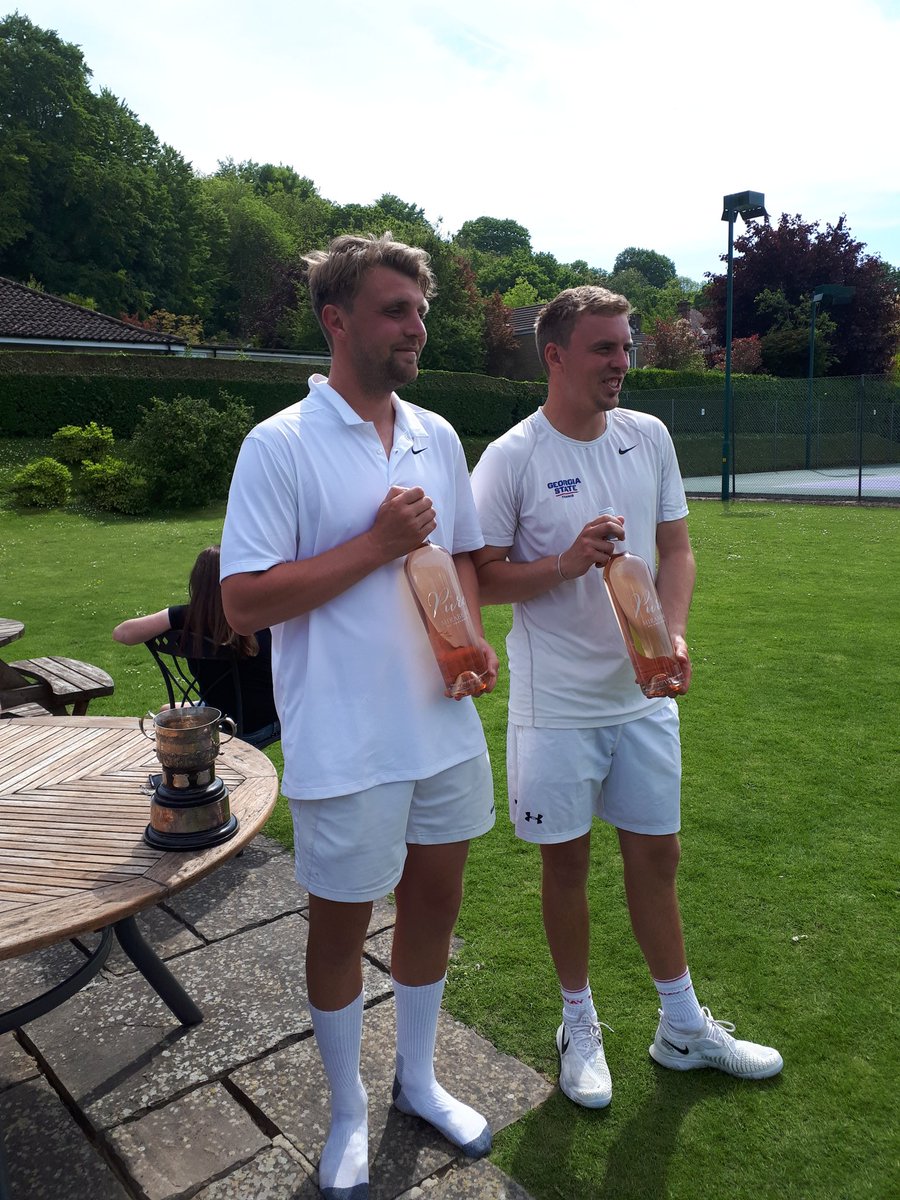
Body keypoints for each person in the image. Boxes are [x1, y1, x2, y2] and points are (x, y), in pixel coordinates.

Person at [219, 233, 498, 1199]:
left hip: (442, 725)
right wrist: (377, 543)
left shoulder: (437, 433)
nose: (416, 327)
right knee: (339, 929)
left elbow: (460, 553)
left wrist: (468, 636)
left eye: (419, 311)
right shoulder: (279, 444)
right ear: (336, 321)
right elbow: (244, 601)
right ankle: (347, 1111)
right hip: (344, 735)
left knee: (435, 904)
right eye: (395, 310)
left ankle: (415, 1080)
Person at [470, 286, 782, 1110]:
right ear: (557, 356)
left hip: (644, 698)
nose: (621, 363)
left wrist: (672, 636)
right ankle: (579, 1024)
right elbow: (481, 578)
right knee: (566, 867)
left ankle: (680, 1025)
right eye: (604, 348)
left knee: (658, 858)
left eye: (626, 347)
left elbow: (675, 548)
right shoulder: (512, 456)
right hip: (557, 707)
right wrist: (567, 563)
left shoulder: (649, 437)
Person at [112, 545, 280, 749]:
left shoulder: (187, 617)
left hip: (217, 716)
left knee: (167, 709)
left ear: (196, 583)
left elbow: (122, 633)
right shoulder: (254, 619)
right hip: (257, 726)